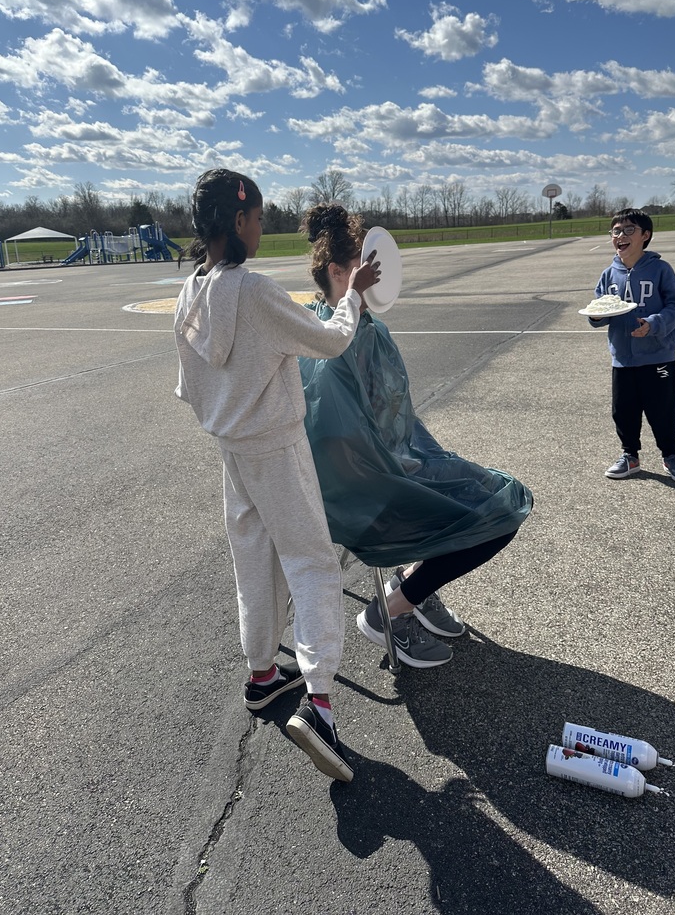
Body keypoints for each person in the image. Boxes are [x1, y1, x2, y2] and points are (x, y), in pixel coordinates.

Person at [173, 170, 380, 782]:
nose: (262, 228)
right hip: (276, 446)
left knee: (252, 562)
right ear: (238, 221)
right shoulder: (256, 292)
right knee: (313, 563)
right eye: (259, 218)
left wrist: (230, 406)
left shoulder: (190, 294)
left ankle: (263, 674)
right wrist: (354, 296)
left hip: (231, 450)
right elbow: (331, 339)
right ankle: (319, 704)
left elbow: (189, 386)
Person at [298, 203, 533, 669]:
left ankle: (411, 587)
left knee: (493, 490)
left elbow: (394, 416)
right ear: (340, 273)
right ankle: (390, 610)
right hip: (363, 491)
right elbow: (340, 446)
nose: (379, 280)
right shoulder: (327, 340)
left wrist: (427, 457)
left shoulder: (365, 327)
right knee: (499, 511)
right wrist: (414, 467)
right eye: (369, 271)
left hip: (390, 465)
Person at [587, 208, 675, 482]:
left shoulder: (660, 269)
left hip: (658, 356)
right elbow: (599, 306)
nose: (621, 235)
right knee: (623, 410)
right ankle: (629, 456)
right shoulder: (609, 274)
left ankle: (670, 455)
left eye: (628, 230)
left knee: (663, 409)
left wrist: (655, 324)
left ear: (645, 236)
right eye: (616, 231)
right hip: (622, 357)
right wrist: (596, 316)